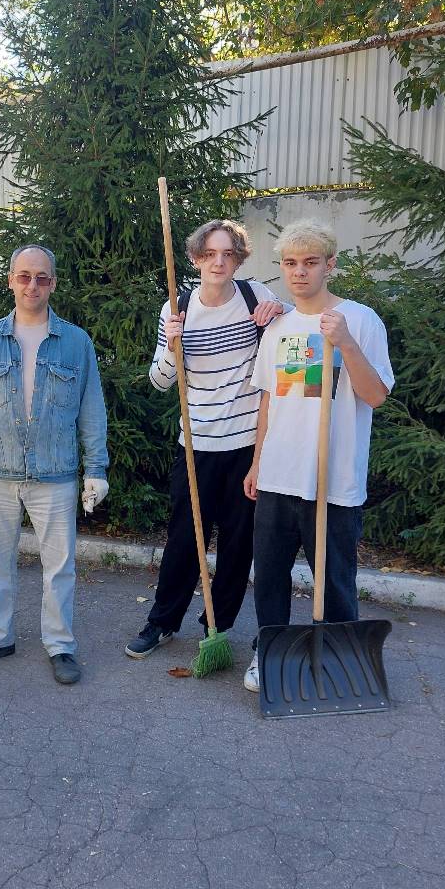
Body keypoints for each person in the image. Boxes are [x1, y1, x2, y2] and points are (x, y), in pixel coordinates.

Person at [242, 220, 394, 691]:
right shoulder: (279, 326)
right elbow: (269, 397)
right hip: (278, 475)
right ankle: (270, 650)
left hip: (334, 479)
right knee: (268, 575)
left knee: (335, 580)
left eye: (310, 263)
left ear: (330, 264)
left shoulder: (361, 320)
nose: (300, 272)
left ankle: (339, 657)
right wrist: (256, 461)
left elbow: (376, 396)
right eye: (290, 263)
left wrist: (345, 342)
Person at [126, 219, 285, 662]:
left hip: (247, 445)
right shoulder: (176, 307)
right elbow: (159, 382)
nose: (219, 262)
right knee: (184, 538)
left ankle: (217, 626)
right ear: (195, 259)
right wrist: (173, 347)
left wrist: (280, 315)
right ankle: (161, 622)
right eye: (210, 254)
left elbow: (294, 334)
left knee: (238, 544)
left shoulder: (258, 296)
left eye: (228, 254)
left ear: (237, 259)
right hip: (195, 445)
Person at [0, 243, 109, 685]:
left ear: (53, 283)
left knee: (59, 565)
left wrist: (96, 469)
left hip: (55, 473)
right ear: (11, 280)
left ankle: (60, 644)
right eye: (24, 276)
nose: (32, 284)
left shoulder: (76, 342)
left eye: (41, 277)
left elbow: (91, 409)